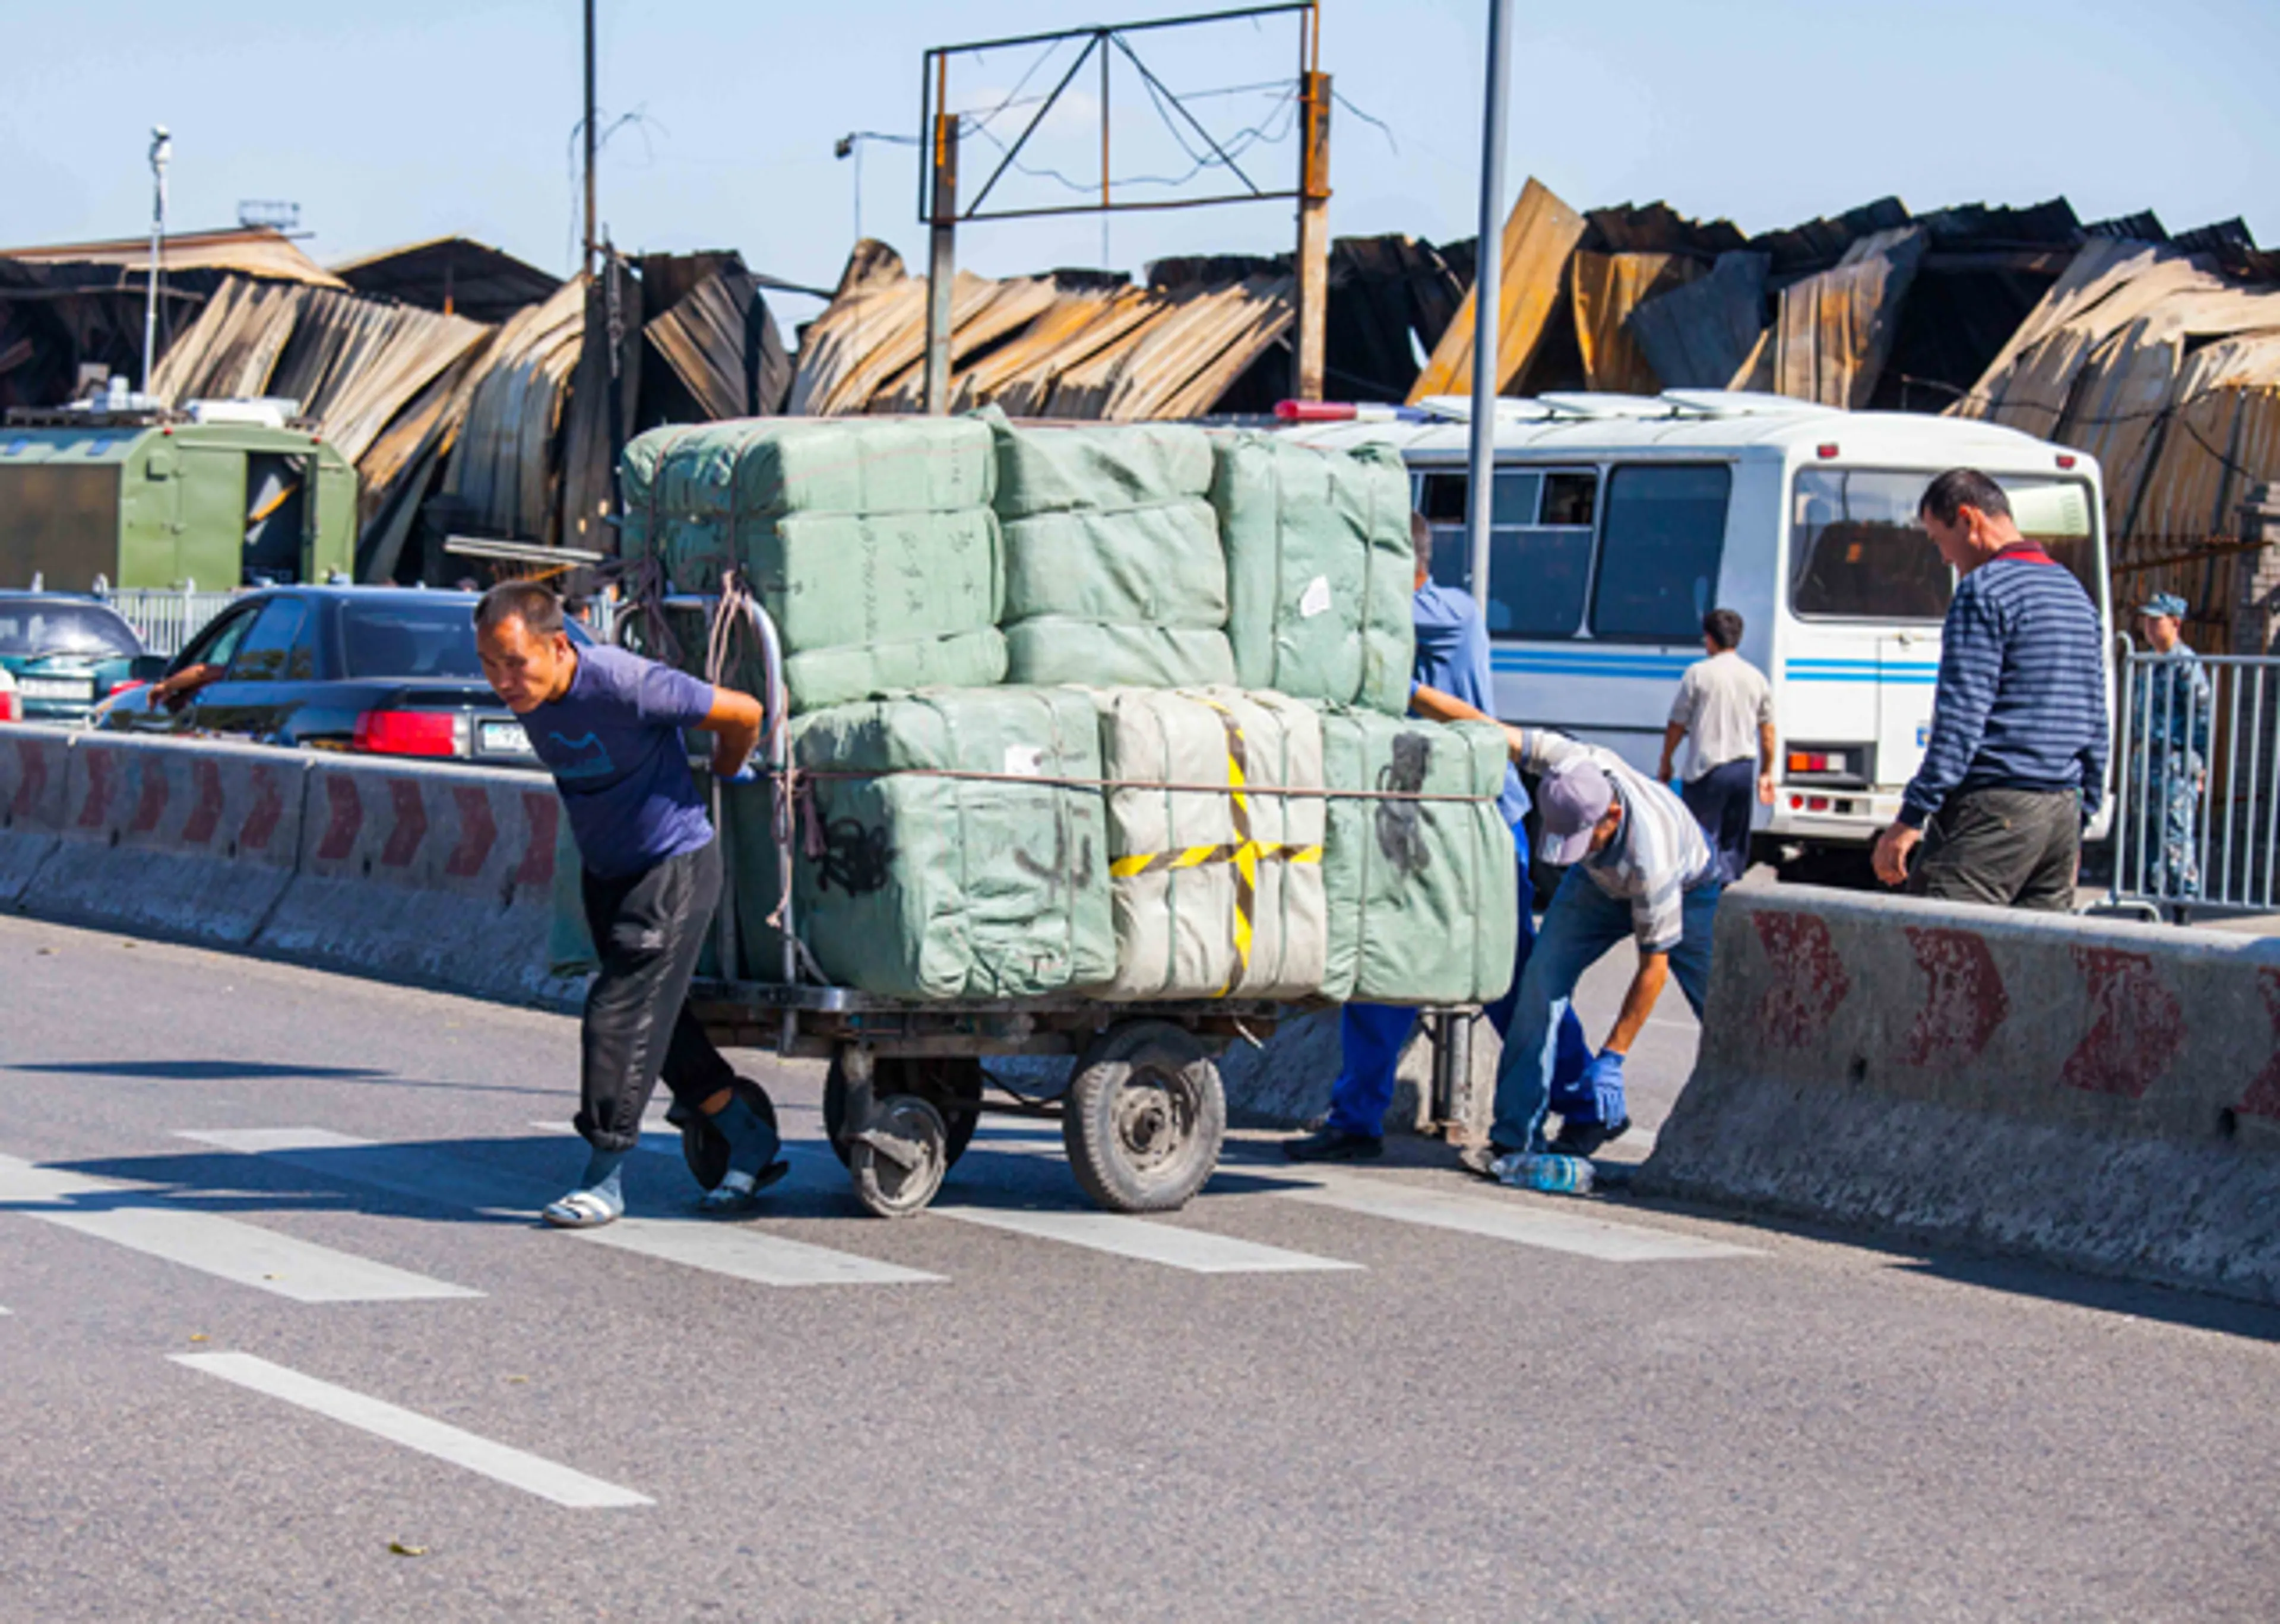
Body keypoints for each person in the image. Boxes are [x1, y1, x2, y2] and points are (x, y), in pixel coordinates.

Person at [473, 581, 786, 1227]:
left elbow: (744, 712)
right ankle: (744, 1130)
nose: (503, 680)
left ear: (559, 646)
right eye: (489, 665)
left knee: (617, 1016)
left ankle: (605, 1177)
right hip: (607, 871)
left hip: (671, 867)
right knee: (660, 1026)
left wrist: (729, 770)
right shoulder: (532, 694)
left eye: (515, 663)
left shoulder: (626, 683)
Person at [1282, 514, 1589, 1162]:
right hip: (1411, 814)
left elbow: (1349, 631)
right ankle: (1356, 1119)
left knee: (1512, 972)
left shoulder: (1450, 614)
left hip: (1481, 821)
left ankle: (1583, 1097)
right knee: (1379, 963)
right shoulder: (1392, 623)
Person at [1464, 727, 1724, 1177]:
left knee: (1725, 1012)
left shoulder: (1652, 859)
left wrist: (1613, 1057)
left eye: (1586, 838)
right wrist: (1416, 693)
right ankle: (1514, 1136)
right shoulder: (1570, 764)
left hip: (1690, 889)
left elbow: (1653, 969)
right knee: (1539, 984)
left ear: (1613, 814)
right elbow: (1484, 725)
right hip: (1595, 886)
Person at [1870, 469, 2108, 909]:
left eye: (1939, 540)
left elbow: (1961, 721)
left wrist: (1911, 816)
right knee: (2031, 965)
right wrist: (2082, 815)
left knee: (1938, 950)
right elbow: (2094, 716)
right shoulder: (2073, 592)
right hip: (2060, 812)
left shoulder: (1984, 591)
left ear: (1968, 519)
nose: (1944, 558)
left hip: (1996, 808)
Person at [1657, 607, 1775, 883]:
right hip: (1743, 768)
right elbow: (1768, 732)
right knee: (1734, 842)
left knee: (1700, 839)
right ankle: (1726, 893)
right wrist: (1767, 773)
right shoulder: (1756, 677)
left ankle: (1702, 899)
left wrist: (1666, 760)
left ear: (1710, 638)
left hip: (1706, 769)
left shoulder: (1698, 674)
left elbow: (1677, 724)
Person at [2129, 591, 2211, 902]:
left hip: (2175, 759)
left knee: (2175, 833)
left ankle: (2183, 901)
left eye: (2156, 621)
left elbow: (2202, 714)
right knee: (2146, 831)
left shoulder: (2185, 664)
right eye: (2146, 622)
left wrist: (2199, 763)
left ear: (2175, 623)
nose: (2149, 628)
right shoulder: (2149, 662)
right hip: (2147, 757)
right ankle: (2150, 896)